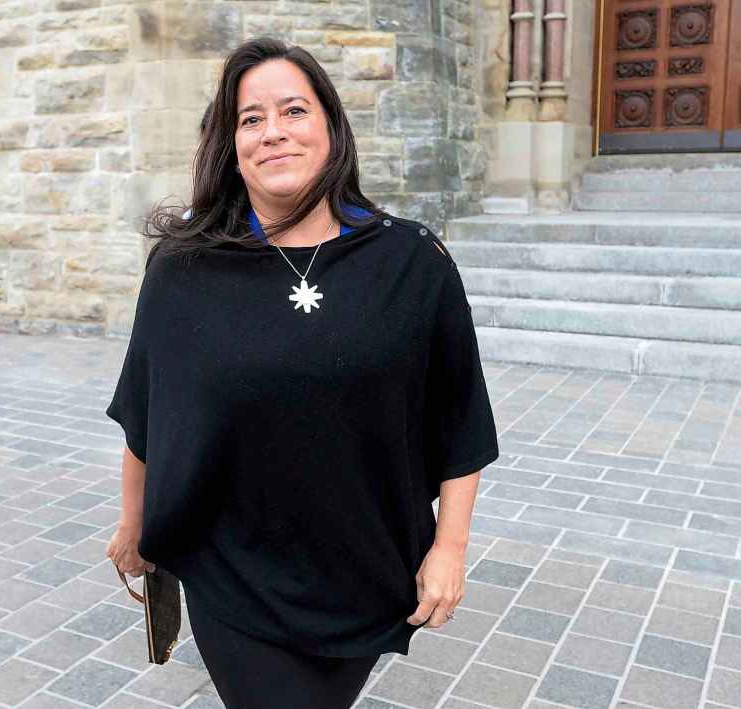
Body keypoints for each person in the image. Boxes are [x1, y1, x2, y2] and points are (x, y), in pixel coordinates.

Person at [105, 37, 499, 709]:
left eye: (294, 110)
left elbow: (459, 417)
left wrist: (450, 548)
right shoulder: (182, 269)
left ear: (331, 128)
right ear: (230, 144)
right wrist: (132, 521)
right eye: (250, 118)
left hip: (366, 574)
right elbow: (147, 410)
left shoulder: (413, 263)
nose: (273, 132)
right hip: (231, 574)